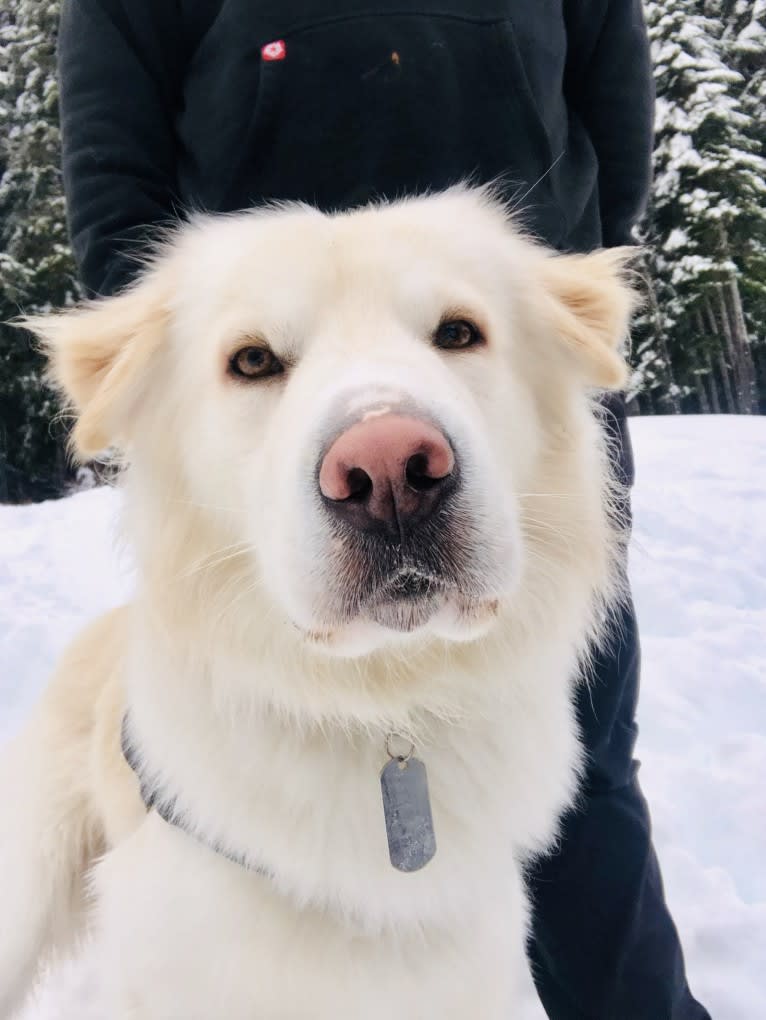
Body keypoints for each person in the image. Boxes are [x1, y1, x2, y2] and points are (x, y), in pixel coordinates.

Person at [56, 2, 710, 1016]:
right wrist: (232, 352)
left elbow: (609, 121)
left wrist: (510, 312)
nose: (387, 469)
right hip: (263, 443)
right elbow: (114, 184)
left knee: (583, 794)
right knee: (232, 829)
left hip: (508, 382)